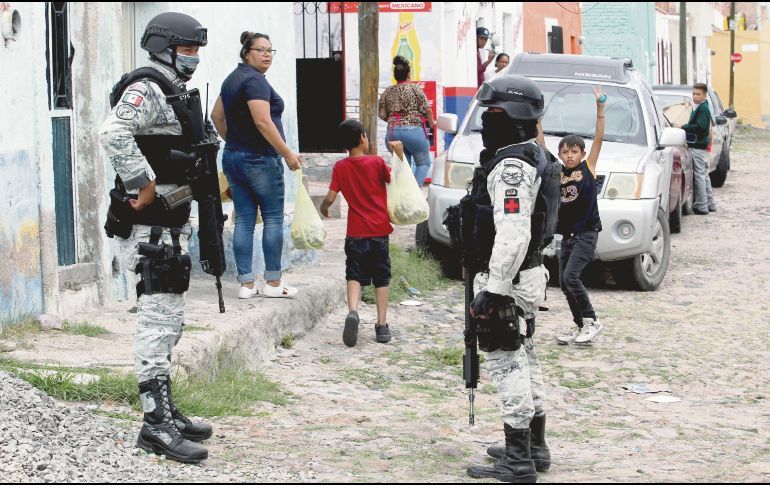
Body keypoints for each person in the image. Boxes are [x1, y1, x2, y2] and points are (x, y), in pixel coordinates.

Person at [99, 12, 212, 463]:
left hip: (171, 221)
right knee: (157, 321)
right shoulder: (146, 87)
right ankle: (154, 426)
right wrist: (141, 183)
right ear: (163, 46)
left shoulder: (175, 89)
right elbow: (113, 132)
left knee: (171, 320)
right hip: (149, 226)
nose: (194, 57)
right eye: (187, 49)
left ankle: (165, 409)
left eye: (196, 49)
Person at [462, 75, 561, 483]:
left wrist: (494, 289)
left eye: (494, 113)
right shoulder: (535, 155)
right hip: (528, 272)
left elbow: (514, 231)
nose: (487, 120)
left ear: (515, 118)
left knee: (506, 361)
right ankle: (534, 446)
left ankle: (518, 457)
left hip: (510, 276)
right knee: (523, 354)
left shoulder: (511, 166)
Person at [211, 31, 301, 300]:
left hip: (234, 158)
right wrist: (286, 153)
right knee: (272, 218)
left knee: (245, 220)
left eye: (270, 51)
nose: (267, 55)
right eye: (261, 50)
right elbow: (263, 122)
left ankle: (246, 284)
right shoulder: (256, 82)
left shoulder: (232, 79)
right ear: (246, 53)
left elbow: (217, 116)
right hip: (261, 159)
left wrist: (236, 141)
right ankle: (273, 283)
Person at [320, 120, 395, 346]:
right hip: (379, 231)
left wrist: (324, 208)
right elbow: (395, 180)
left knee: (354, 275)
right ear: (363, 138)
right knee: (381, 279)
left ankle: (353, 312)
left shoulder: (340, 167)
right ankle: (381, 326)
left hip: (355, 234)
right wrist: (399, 155)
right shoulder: (377, 162)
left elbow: (331, 198)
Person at [548, 87, 606, 346]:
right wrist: (537, 119)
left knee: (572, 277)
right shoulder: (557, 173)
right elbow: (539, 144)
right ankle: (580, 325)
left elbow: (599, 138)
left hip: (586, 233)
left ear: (582, 154)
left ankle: (592, 320)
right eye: (565, 152)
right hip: (567, 236)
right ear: (560, 155)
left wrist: (600, 108)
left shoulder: (588, 168)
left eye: (574, 151)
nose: (570, 155)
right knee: (563, 282)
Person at [378, 56, 434, 186]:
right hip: (415, 133)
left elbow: (381, 114)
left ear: (395, 75)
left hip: (393, 134)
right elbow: (427, 109)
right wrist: (431, 123)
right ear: (408, 74)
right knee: (423, 163)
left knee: (404, 168)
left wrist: (394, 121)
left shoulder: (388, 91)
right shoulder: (415, 89)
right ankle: (415, 193)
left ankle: (404, 196)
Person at [681, 83, 716, 215]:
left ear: (704, 95)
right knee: (704, 174)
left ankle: (701, 206)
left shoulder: (703, 108)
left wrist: (684, 127)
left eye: (698, 94)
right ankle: (710, 203)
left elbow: (701, 128)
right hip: (699, 145)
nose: (695, 96)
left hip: (698, 145)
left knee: (700, 175)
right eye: (694, 93)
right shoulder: (700, 107)